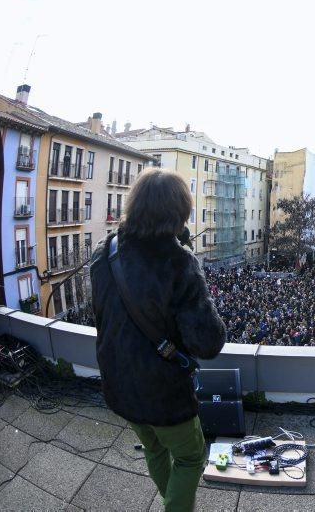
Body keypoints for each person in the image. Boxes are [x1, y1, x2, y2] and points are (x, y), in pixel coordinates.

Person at [90, 168, 226, 511]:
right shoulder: (179, 263)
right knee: (191, 458)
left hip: (118, 384)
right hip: (163, 394)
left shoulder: (105, 253)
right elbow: (208, 343)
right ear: (180, 213)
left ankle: (172, 502)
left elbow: (103, 318)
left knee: (153, 448)